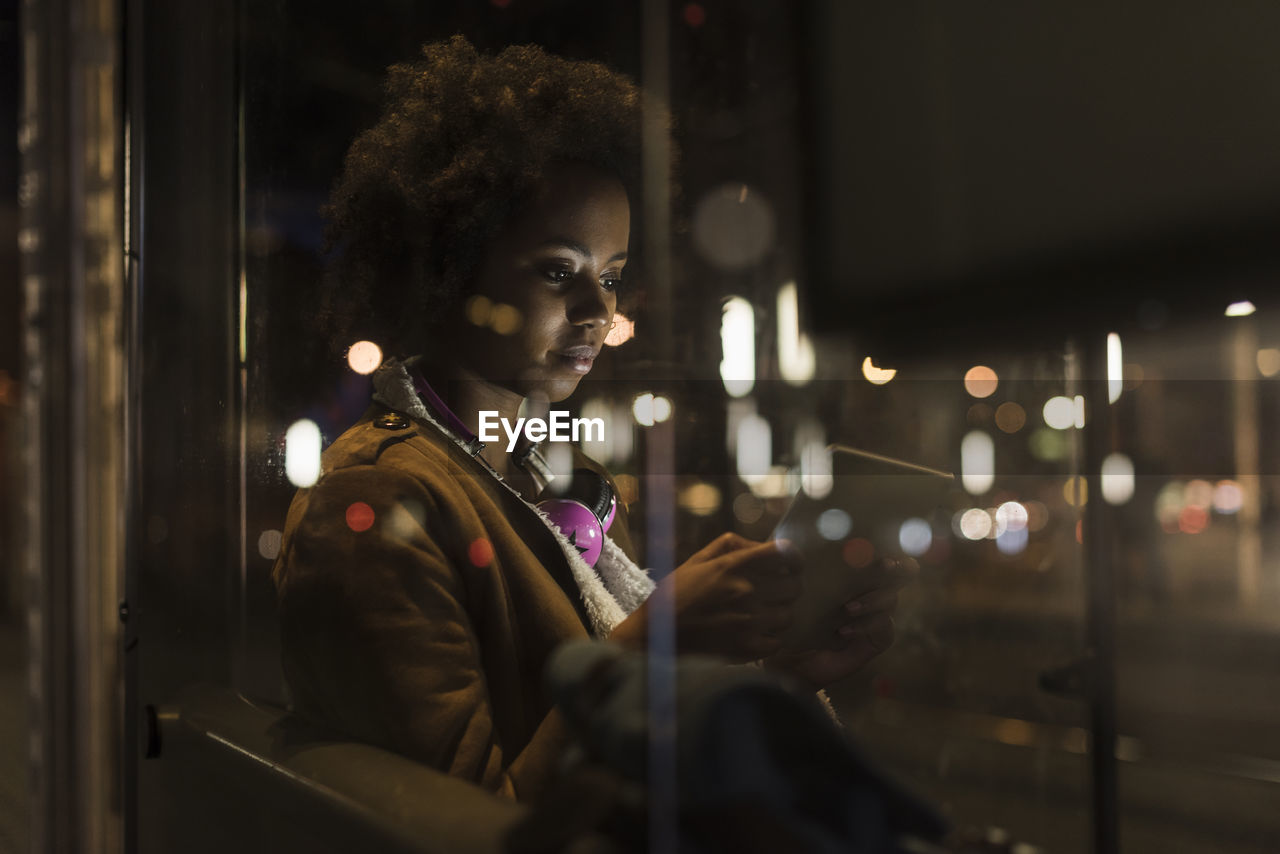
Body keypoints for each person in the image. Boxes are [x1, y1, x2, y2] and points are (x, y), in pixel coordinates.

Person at [271, 36, 902, 802]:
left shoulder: (565, 490)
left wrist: (785, 677)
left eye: (612, 277)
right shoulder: (369, 505)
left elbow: (637, 754)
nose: (599, 311)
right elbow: (460, 826)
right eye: (558, 272)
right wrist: (659, 646)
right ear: (449, 268)